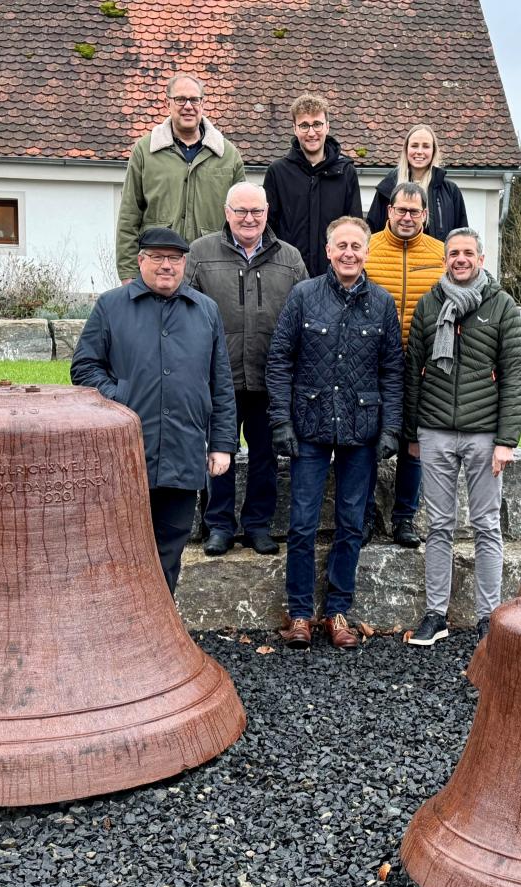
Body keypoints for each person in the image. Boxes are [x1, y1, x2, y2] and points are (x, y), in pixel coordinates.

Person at [71, 227, 237, 594]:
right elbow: (84, 367)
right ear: (141, 260)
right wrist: (120, 397)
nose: (167, 266)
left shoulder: (205, 310)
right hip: (127, 449)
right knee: (122, 544)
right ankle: (124, 630)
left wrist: (222, 443)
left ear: (184, 264)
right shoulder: (111, 306)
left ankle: (161, 629)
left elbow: (220, 382)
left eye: (175, 259)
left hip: (183, 447)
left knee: (170, 545)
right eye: (158, 257)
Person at [265, 217, 403, 649]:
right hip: (309, 425)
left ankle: (338, 611)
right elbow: (280, 361)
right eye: (341, 245)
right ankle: (301, 613)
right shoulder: (304, 296)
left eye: (356, 246)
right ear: (327, 251)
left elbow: (392, 372)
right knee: (303, 524)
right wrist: (281, 422)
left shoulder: (381, 304)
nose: (349, 253)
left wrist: (390, 428)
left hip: (360, 430)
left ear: (366, 252)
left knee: (350, 524)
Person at [402, 227, 521, 646]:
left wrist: (507, 439)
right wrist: (413, 431)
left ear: (481, 258)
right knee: (438, 525)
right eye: (453, 252)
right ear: (445, 259)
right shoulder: (429, 304)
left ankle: (487, 617)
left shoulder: (502, 307)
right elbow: (413, 371)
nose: (460, 259)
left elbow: (514, 377)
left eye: (467, 253)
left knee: (487, 526)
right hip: (434, 431)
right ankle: (436, 614)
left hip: (484, 435)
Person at [186, 182, 309, 557]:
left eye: (256, 211)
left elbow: (305, 312)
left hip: (270, 377)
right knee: (218, 453)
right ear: (227, 213)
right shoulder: (201, 253)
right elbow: (184, 309)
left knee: (265, 456)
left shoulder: (289, 258)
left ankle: (257, 524)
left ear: (267, 212)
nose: (249, 218)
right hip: (218, 377)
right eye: (241, 211)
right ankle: (219, 526)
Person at [362, 181, 445, 549]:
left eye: (415, 212)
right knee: (364, 440)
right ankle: (361, 515)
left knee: (414, 443)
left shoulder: (441, 254)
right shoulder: (369, 248)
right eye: (401, 210)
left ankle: (404, 518)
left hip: (421, 362)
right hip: (371, 361)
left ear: (425, 216)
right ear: (388, 211)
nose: (407, 217)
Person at [115, 75, 246, 283]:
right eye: (180, 99)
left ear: (203, 103)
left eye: (194, 100)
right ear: (167, 103)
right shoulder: (145, 151)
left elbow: (242, 219)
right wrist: (128, 273)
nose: (188, 106)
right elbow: (129, 216)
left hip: (212, 268)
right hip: (158, 267)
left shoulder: (227, 155)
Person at [264, 93, 362, 278]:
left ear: (327, 126)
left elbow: (354, 227)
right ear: (294, 128)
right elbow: (268, 229)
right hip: (287, 274)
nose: (311, 132)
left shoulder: (346, 172)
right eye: (304, 125)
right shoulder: (278, 172)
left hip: (333, 276)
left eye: (317, 124)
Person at [366, 124, 469, 242]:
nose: (419, 152)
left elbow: (462, 236)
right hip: (393, 259)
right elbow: (373, 233)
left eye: (426, 146)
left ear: (433, 151)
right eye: (414, 146)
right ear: (406, 149)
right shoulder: (387, 188)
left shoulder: (450, 191)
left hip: (436, 259)